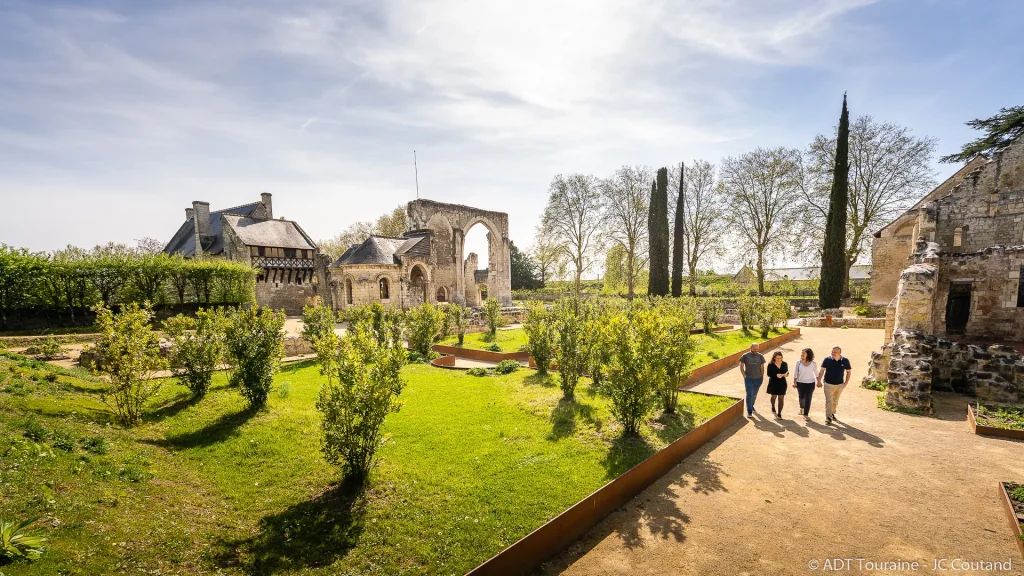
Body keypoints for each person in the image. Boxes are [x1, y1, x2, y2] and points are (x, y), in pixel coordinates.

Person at [818, 346, 852, 425]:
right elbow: (822, 370)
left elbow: (849, 372)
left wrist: (846, 383)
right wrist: (819, 380)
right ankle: (828, 417)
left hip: (839, 385)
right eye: (832, 352)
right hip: (828, 384)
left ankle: (832, 413)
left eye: (835, 352)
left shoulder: (845, 361)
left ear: (839, 353)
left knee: (835, 401)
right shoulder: (827, 360)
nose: (833, 353)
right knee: (829, 401)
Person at [738, 343, 766, 418]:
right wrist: (744, 375)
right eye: (754, 349)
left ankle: (751, 405)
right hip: (749, 378)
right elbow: (741, 366)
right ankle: (749, 411)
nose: (756, 350)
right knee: (749, 394)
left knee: (754, 395)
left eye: (757, 349)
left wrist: (762, 375)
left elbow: (762, 367)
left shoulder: (760, 356)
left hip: (758, 378)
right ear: (751, 348)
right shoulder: (745, 356)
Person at [792, 348, 820, 419]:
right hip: (800, 382)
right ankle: (802, 407)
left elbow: (816, 374)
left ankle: (806, 414)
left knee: (808, 397)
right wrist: (794, 382)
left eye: (804, 353)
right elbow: (796, 373)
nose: (802, 354)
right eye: (802, 353)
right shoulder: (798, 362)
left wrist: (818, 381)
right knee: (801, 397)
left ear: (808, 354)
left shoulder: (813, 363)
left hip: (810, 383)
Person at [766, 351, 789, 419]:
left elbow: (787, 372)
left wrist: (786, 374)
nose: (779, 359)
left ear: (782, 357)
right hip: (773, 383)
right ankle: (773, 406)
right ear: (774, 358)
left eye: (780, 358)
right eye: (777, 358)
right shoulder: (770, 364)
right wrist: (776, 375)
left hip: (782, 383)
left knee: (781, 398)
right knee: (774, 397)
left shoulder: (784, 364)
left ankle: (779, 414)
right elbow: (768, 374)